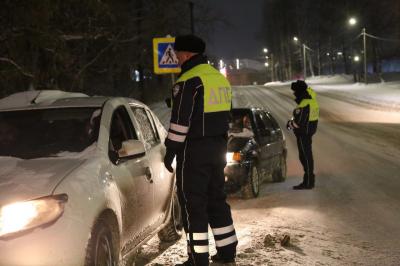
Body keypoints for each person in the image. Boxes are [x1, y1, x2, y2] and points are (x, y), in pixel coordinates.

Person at [163, 34, 238, 266]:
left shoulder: (188, 81)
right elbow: (225, 114)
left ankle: (198, 258)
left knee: (192, 203)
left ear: (186, 54)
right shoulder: (219, 79)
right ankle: (227, 251)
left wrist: (170, 151)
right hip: (218, 148)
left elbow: (179, 124)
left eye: (177, 53)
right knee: (216, 198)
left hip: (194, 151)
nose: (175, 57)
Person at [286, 80, 319, 190]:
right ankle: (308, 180)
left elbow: (298, 123)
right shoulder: (312, 100)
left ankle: (308, 182)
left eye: (295, 92)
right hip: (308, 132)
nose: (294, 94)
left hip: (303, 134)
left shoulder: (304, 104)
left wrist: (290, 124)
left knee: (305, 157)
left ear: (299, 92)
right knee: (306, 156)